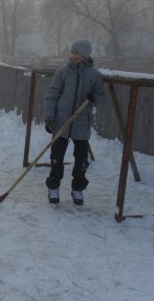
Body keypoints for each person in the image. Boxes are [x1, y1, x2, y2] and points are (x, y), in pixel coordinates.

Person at [44, 39, 106, 206]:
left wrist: (94, 99)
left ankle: (77, 189)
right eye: (73, 52)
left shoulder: (94, 75)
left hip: (81, 124)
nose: (74, 56)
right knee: (56, 157)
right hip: (61, 122)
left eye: (78, 53)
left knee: (81, 160)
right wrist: (49, 117)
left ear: (86, 55)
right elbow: (52, 96)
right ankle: (54, 187)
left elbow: (102, 99)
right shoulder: (63, 73)